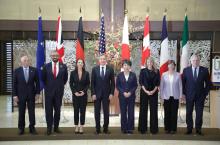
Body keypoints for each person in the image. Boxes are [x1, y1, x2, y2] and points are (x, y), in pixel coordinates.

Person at [182, 54, 210, 135]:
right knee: (188, 112)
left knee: (199, 113)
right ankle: (189, 129)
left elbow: (208, 83)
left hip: (200, 96)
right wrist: (184, 94)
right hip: (189, 95)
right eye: (193, 60)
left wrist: (205, 93)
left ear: (199, 61)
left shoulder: (204, 70)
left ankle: (198, 129)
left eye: (197, 60)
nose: (195, 62)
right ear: (190, 61)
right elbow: (183, 83)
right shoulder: (186, 70)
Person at [42, 50, 68, 135]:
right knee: (48, 111)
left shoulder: (63, 66)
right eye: (53, 55)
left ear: (59, 56)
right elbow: (43, 79)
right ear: (51, 56)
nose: (55, 57)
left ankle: (56, 127)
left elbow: (65, 79)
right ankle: (49, 128)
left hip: (59, 93)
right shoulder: (46, 66)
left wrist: (58, 86)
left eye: (56, 55)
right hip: (49, 93)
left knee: (57, 110)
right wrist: (49, 87)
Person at [13, 55, 40, 135]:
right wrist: (14, 95)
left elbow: (37, 83)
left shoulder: (34, 70)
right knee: (21, 112)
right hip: (20, 95)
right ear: (21, 62)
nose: (26, 62)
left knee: (32, 112)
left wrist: (38, 93)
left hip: (31, 94)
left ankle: (32, 127)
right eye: (24, 60)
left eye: (27, 60)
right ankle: (21, 128)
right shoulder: (17, 71)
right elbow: (14, 84)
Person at [91, 54, 115, 134]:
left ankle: (105, 129)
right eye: (101, 59)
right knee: (97, 112)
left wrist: (111, 93)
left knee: (106, 112)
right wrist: (93, 94)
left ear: (106, 60)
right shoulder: (94, 69)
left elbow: (113, 83)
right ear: (99, 60)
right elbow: (92, 83)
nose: (103, 60)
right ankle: (97, 129)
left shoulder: (110, 69)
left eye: (104, 59)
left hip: (106, 94)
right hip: (96, 94)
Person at [138, 57, 160, 134]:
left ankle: (153, 129)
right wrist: (147, 91)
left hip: (154, 93)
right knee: (143, 110)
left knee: (154, 111)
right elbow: (141, 82)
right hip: (144, 92)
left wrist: (153, 91)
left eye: (151, 61)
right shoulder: (143, 71)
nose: (149, 63)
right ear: (146, 63)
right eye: (148, 62)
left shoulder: (157, 71)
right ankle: (142, 129)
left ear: (153, 62)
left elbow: (158, 83)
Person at [160, 60, 183, 134]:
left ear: (174, 66)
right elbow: (162, 86)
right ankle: (167, 128)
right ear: (168, 66)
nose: (171, 66)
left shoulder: (178, 74)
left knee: (174, 113)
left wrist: (180, 97)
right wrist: (161, 97)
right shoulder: (164, 75)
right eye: (169, 65)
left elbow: (180, 87)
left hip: (175, 97)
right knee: (167, 113)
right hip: (166, 96)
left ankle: (173, 129)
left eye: (172, 65)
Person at [116, 60, 137, 134]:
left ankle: (130, 128)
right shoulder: (119, 75)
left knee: (131, 112)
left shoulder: (133, 75)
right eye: (125, 65)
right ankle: (124, 128)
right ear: (123, 66)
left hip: (131, 96)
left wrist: (130, 92)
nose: (126, 67)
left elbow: (135, 85)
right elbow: (117, 85)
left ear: (130, 66)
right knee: (123, 112)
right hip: (122, 96)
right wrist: (123, 92)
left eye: (128, 65)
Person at [69, 59, 90, 134]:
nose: (80, 63)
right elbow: (71, 84)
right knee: (76, 111)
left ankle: (81, 126)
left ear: (83, 64)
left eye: (81, 62)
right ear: (77, 64)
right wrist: (74, 92)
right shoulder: (72, 73)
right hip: (75, 95)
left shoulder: (86, 73)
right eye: (79, 62)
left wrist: (84, 91)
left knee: (82, 111)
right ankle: (76, 126)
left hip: (83, 95)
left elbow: (88, 84)